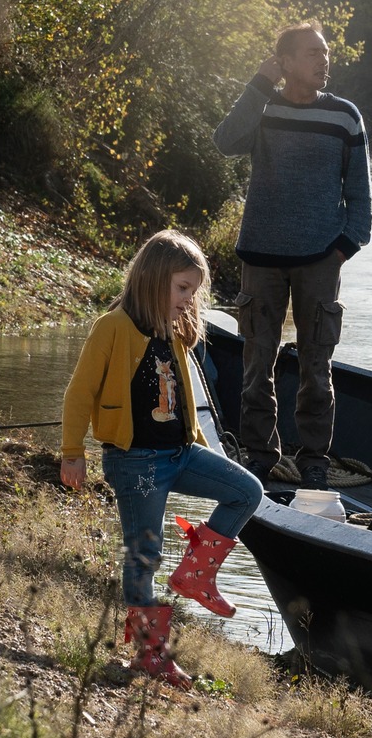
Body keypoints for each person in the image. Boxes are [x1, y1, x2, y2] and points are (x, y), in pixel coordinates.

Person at [60, 230, 264, 691]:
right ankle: (149, 655)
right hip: (136, 463)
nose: (190, 299)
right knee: (144, 555)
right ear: (153, 280)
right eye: (183, 289)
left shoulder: (172, 330)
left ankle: (196, 575)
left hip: (182, 453)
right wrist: (73, 452)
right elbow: (79, 394)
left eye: (194, 291)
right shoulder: (112, 327)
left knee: (247, 491)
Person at [213, 22, 371, 487]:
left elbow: (359, 195)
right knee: (256, 362)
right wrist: (258, 85)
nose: (323, 60)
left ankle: (314, 459)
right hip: (260, 258)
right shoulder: (262, 108)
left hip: (320, 259)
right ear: (283, 63)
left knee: (316, 365)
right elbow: (225, 143)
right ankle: (260, 455)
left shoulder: (345, 115)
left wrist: (341, 250)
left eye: (325, 53)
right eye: (311, 53)